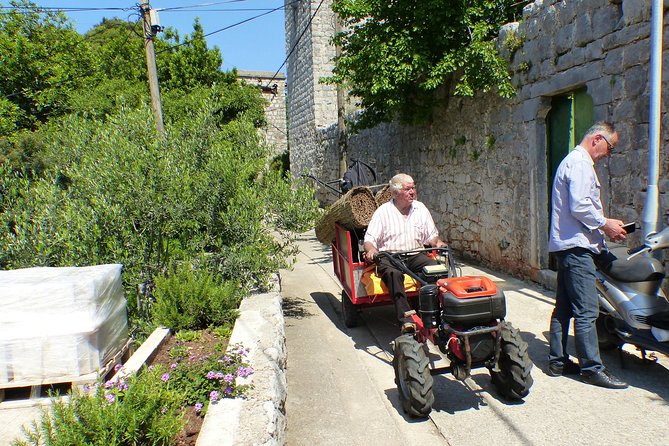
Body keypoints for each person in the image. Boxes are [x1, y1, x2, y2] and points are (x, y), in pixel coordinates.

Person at [547, 121, 629, 389]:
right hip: (577, 248)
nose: (608, 154)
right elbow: (581, 206)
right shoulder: (580, 164)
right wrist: (606, 224)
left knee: (565, 307)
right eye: (610, 147)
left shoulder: (572, 161)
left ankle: (557, 362)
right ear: (597, 139)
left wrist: (605, 228)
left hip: (568, 246)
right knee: (587, 310)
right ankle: (592, 368)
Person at [363, 173, 446, 333]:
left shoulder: (420, 208)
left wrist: (438, 242)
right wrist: (372, 250)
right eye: (408, 189)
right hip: (390, 257)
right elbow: (370, 240)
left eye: (413, 187)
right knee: (394, 275)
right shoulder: (383, 212)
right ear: (395, 193)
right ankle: (406, 319)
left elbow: (432, 236)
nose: (412, 192)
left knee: (436, 269)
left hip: (415, 255)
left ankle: (434, 312)